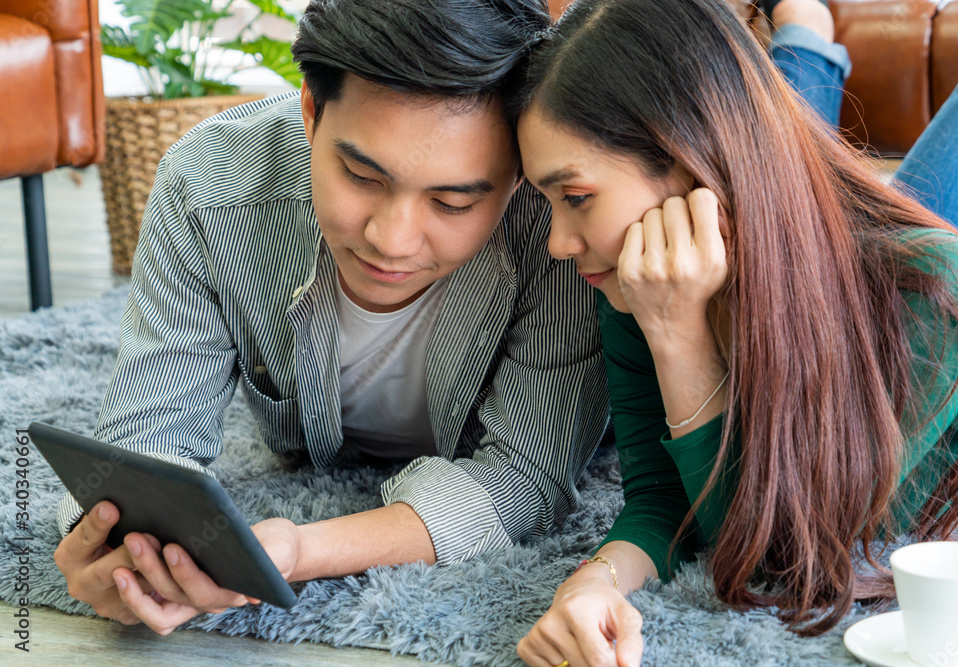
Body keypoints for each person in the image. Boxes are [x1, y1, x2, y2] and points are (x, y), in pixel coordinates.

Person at [52, 0, 610, 636]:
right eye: (361, 176)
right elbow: (147, 432)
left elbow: (523, 478)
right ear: (311, 111)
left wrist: (299, 549)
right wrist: (114, 539)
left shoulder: (557, 227)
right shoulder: (209, 185)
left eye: (453, 202)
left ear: (516, 175)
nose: (392, 239)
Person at [512, 0, 958, 663]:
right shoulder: (629, 280)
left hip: (938, 301)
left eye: (574, 197)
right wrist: (589, 586)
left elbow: (781, 556)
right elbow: (664, 503)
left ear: (690, 164)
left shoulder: (929, 304)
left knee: (932, 241)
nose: (557, 243)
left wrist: (679, 337)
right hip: (816, 246)